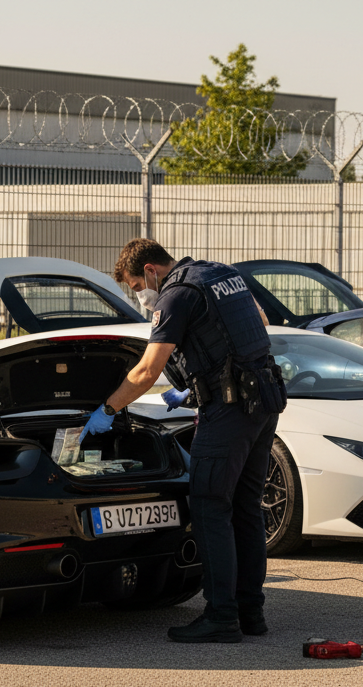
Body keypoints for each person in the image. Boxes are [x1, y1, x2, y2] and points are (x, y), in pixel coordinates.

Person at [79, 238, 287, 643]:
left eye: (138, 287)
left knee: (210, 507)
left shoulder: (176, 294)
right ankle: (251, 613)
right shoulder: (222, 274)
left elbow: (145, 371)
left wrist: (108, 409)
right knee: (245, 509)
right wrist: (199, 386)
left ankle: (221, 616)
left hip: (228, 411)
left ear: (151, 271)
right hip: (262, 403)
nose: (141, 296)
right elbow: (257, 324)